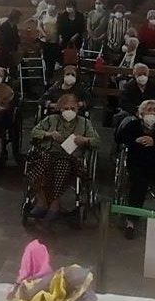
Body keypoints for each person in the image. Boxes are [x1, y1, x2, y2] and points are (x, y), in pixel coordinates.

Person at [26, 94, 100, 222]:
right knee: (38, 165)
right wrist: (49, 134)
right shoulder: (51, 119)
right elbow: (34, 132)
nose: (69, 111)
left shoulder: (85, 123)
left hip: (71, 158)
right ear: (60, 108)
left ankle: (54, 205)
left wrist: (85, 139)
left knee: (61, 166)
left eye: (73, 108)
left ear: (78, 108)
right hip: (49, 153)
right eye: (66, 108)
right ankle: (42, 202)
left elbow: (97, 141)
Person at [118, 100, 155, 239]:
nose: (152, 112)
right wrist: (135, 140)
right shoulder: (132, 125)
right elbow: (119, 138)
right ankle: (131, 221)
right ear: (141, 112)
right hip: (138, 164)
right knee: (138, 184)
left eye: (154, 110)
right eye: (149, 110)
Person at [38, 4, 60, 77]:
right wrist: (44, 34)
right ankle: (43, 76)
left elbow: (59, 27)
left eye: (53, 4)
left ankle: (50, 77)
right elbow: (39, 26)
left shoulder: (58, 14)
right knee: (45, 59)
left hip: (54, 41)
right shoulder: (43, 13)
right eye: (50, 4)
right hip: (44, 40)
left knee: (52, 60)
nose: (51, 6)